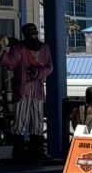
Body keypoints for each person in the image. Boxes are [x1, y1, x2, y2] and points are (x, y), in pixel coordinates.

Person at [4, 23, 55, 160]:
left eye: (34, 32)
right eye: (30, 32)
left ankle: (37, 149)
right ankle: (19, 150)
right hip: (23, 89)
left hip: (37, 89)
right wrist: (0, 54)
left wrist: (38, 72)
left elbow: (49, 67)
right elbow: (10, 63)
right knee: (20, 118)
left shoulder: (44, 48)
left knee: (38, 118)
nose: (33, 34)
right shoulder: (18, 48)